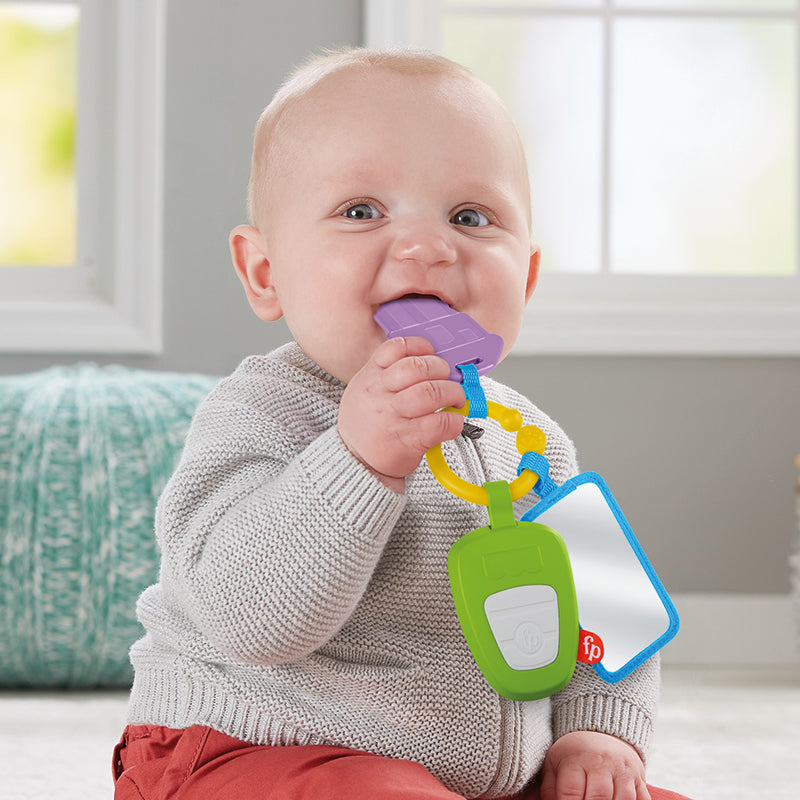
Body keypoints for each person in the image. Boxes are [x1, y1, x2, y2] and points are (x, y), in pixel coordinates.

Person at [112, 47, 691, 800]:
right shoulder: (259, 414)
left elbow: (611, 615)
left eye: (470, 217)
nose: (427, 246)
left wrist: (599, 732)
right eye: (362, 211)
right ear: (265, 272)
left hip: (468, 777)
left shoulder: (533, 444)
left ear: (526, 277)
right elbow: (246, 619)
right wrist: (359, 460)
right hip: (248, 748)